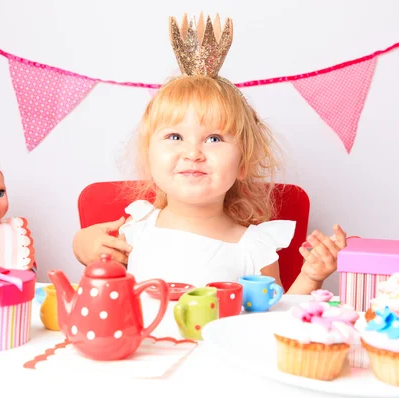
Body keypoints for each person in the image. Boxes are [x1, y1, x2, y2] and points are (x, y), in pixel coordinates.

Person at [72, 13, 347, 294]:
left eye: (214, 138)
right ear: (150, 158)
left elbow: (273, 319)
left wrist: (310, 278)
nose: (193, 153)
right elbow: (100, 293)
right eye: (175, 136)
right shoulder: (134, 230)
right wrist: (82, 245)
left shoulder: (254, 247)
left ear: (243, 163)